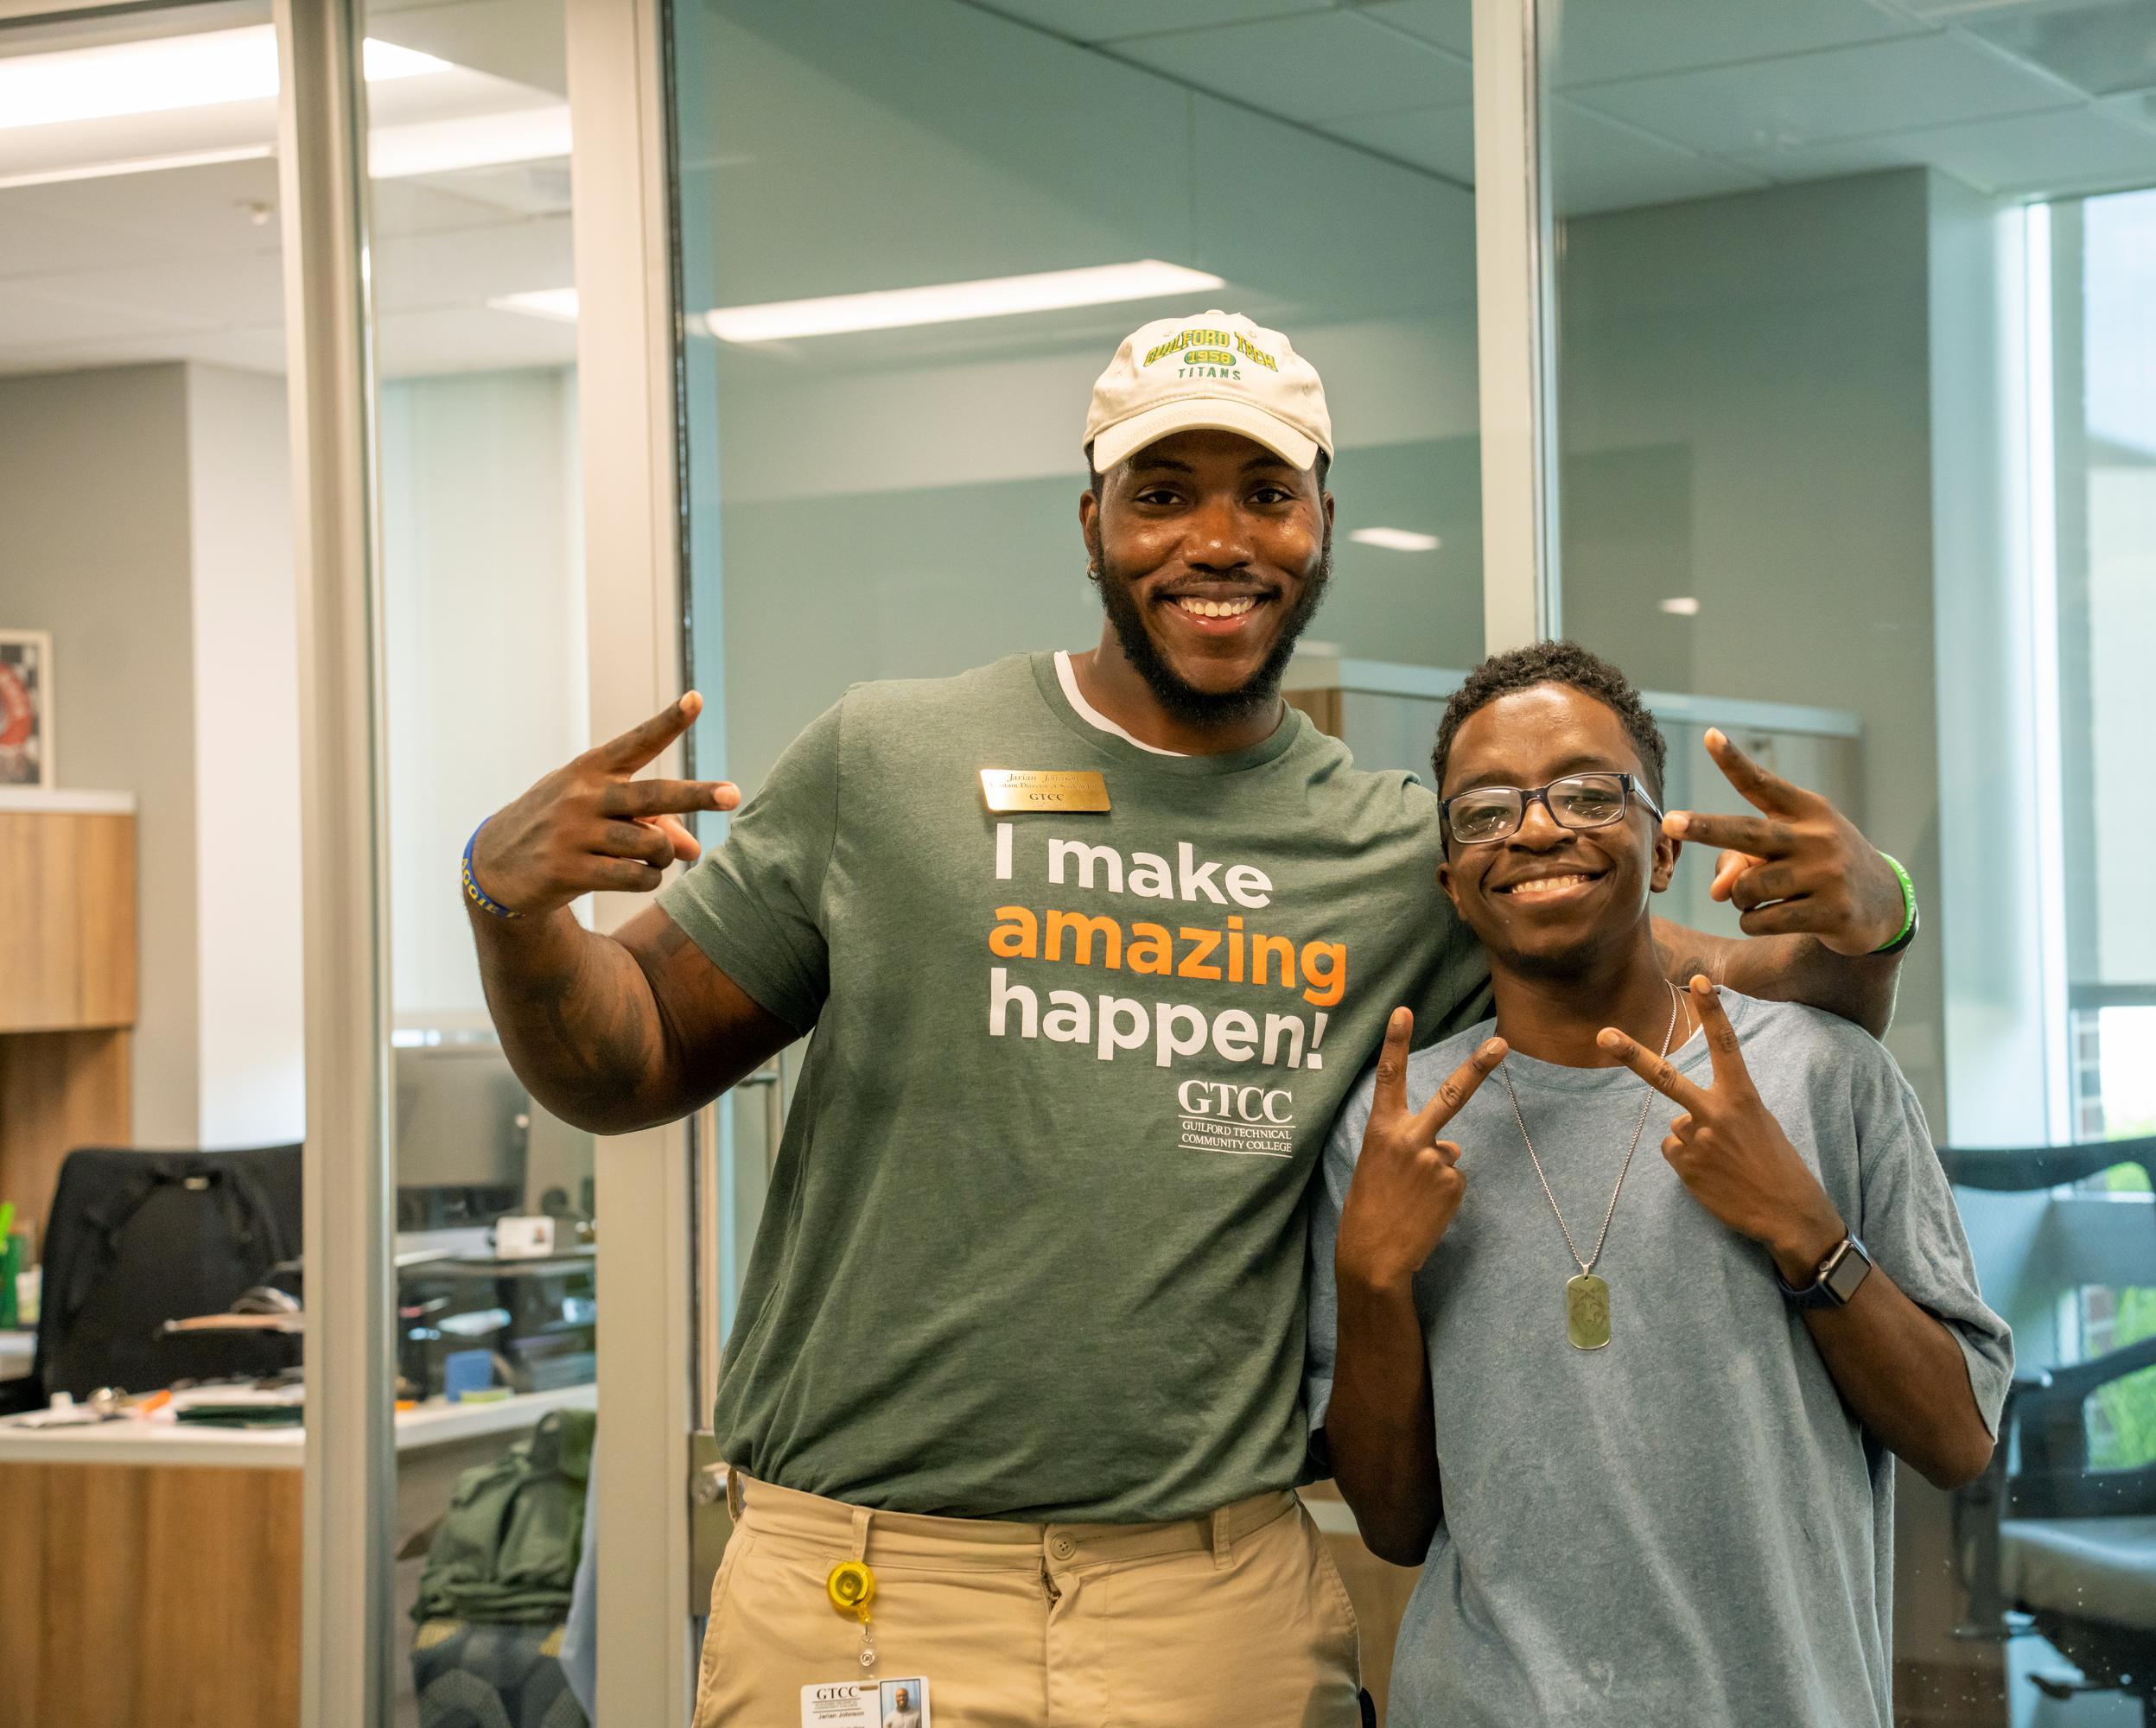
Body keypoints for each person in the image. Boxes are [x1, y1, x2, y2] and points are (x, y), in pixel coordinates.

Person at [464, 313, 1917, 1727]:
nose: (1218, 542)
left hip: (1207, 1603)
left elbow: (1707, 992)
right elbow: (632, 1053)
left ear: (1323, 522)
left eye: (1266, 497)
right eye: (1163, 496)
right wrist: (512, 912)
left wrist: (1881, 911)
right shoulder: (891, 760)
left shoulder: (1399, 857)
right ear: (1091, 519)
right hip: (869, 1586)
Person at [1311, 641, 2011, 1725]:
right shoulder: (1395, 1126)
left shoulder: (1822, 1072)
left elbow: (1958, 1438)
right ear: (1450, 880)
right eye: (1485, 809)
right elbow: (1397, 1524)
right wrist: (1370, 1277)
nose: (1538, 828)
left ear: (1663, 845)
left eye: (1590, 793)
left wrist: (1811, 1237)